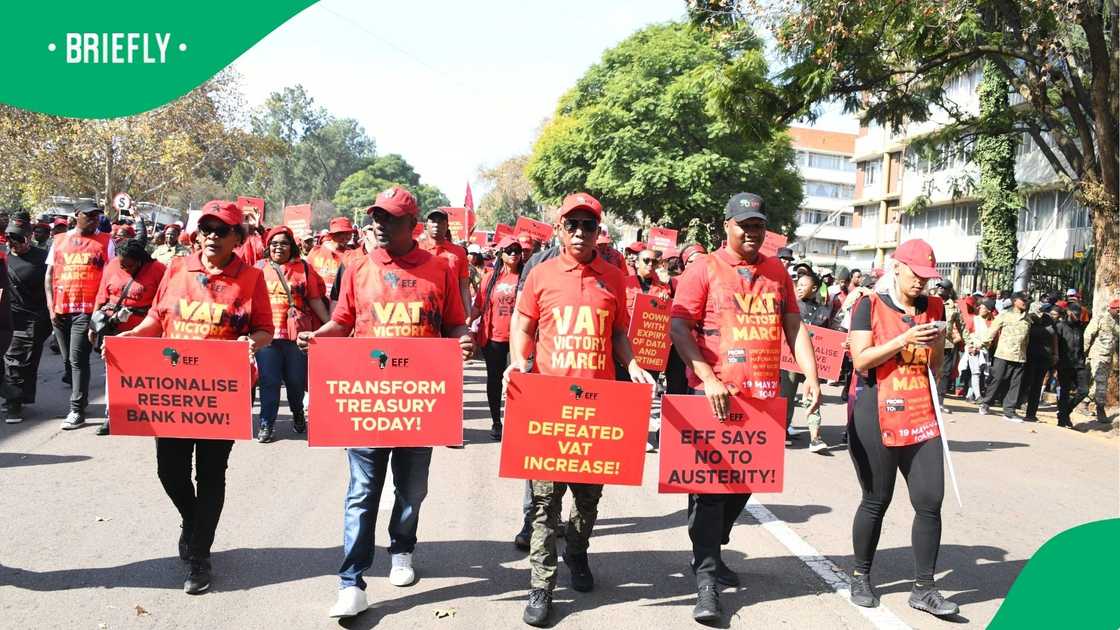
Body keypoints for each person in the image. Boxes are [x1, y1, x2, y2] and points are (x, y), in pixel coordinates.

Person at [296, 186, 471, 619]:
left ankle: (402, 549)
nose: (379, 223)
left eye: (390, 218)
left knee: (412, 490)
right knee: (362, 491)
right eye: (376, 215)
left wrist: (463, 340)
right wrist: (318, 338)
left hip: (419, 404)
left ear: (413, 227)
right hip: (368, 400)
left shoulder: (440, 270)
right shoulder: (356, 267)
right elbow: (342, 321)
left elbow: (453, 325)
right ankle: (351, 581)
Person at [505, 192, 654, 627]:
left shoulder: (614, 277)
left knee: (587, 503)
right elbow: (524, 322)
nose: (579, 232)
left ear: (597, 232)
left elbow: (620, 335)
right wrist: (519, 359)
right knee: (544, 503)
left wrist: (633, 364)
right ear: (560, 227)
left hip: (599, 410)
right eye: (572, 224)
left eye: (588, 225)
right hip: (549, 407)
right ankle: (541, 585)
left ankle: (578, 551)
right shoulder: (541, 273)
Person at [669, 192, 819, 623]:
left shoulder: (777, 272)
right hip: (713, 397)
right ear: (726, 226)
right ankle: (706, 580)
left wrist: (810, 375)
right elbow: (680, 327)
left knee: (746, 483)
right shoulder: (703, 269)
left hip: (763, 399)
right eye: (744, 225)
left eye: (758, 225)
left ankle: (710, 551)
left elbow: (794, 325)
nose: (752, 232)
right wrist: (709, 377)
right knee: (710, 492)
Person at [116, 200, 273, 595]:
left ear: (239, 238)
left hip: (222, 394)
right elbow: (157, 319)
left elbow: (265, 330)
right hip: (173, 393)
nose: (212, 237)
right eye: (206, 229)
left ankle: (200, 555)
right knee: (169, 471)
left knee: (210, 473)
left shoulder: (252, 278)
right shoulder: (177, 268)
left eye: (222, 231)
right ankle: (193, 519)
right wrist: (132, 338)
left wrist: (248, 343)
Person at [844, 239, 958, 618]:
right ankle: (861, 576)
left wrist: (937, 340)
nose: (921, 285)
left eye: (927, 278)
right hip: (875, 410)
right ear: (896, 268)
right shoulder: (869, 304)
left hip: (920, 412)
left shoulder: (936, 307)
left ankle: (924, 588)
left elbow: (935, 367)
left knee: (930, 500)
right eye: (915, 276)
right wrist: (904, 339)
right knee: (877, 499)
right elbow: (861, 361)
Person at [255, 226, 329, 443]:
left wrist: (332, 326)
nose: (279, 247)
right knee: (269, 380)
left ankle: (298, 413)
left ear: (292, 246)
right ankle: (266, 424)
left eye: (284, 243)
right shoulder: (258, 268)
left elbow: (315, 299)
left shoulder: (304, 268)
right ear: (268, 246)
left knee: (296, 381)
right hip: (266, 335)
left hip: (297, 335)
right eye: (274, 243)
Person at [46, 201, 114, 430]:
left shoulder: (106, 241)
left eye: (97, 216)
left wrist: (99, 312)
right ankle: (80, 400)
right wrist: (50, 306)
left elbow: (111, 277)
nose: (94, 219)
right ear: (76, 215)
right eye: (89, 215)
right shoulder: (59, 241)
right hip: (61, 309)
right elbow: (49, 276)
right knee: (67, 361)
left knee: (78, 359)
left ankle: (77, 410)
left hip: (87, 311)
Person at [89, 239, 167, 435]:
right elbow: (101, 295)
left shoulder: (159, 270)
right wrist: (93, 325)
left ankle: (148, 415)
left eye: (129, 265)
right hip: (114, 329)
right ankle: (112, 416)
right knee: (114, 374)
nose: (124, 268)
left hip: (146, 331)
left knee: (146, 375)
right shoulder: (113, 265)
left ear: (140, 261)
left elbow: (167, 301)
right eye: (122, 264)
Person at [472, 236, 523, 441]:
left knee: (518, 382)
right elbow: (479, 306)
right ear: (500, 253)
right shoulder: (490, 278)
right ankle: (496, 421)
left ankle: (517, 422)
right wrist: (466, 322)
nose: (513, 253)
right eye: (509, 249)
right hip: (494, 338)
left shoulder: (526, 277)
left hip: (519, 340)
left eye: (517, 249)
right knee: (494, 381)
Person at [2, 222, 52, 423]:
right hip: (9, 316)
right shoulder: (3, 258)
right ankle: (13, 400)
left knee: (27, 362)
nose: (14, 244)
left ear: (29, 237)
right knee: (12, 359)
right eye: (10, 239)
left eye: (19, 238)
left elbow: (52, 284)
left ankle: (18, 398)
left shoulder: (42, 257)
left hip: (35, 317)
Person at [779, 271, 833, 452]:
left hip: (813, 363)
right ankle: (782, 429)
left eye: (804, 285)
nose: (799, 287)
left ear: (815, 288)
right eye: (798, 284)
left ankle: (815, 437)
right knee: (786, 396)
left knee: (813, 396)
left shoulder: (824, 311)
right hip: (789, 362)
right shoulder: (790, 308)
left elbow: (832, 334)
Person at [979, 291, 1031, 421]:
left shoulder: (1028, 318)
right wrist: (982, 344)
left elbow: (1027, 339)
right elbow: (992, 331)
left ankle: (1009, 410)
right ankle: (985, 403)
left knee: (1015, 384)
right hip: (1003, 354)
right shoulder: (1004, 315)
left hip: (1019, 356)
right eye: (1022, 300)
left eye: (1027, 300)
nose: (1025, 302)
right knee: (996, 380)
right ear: (1015, 301)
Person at [420, 208, 472, 319]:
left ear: (447, 226)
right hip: (424, 310)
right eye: (433, 221)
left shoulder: (459, 252)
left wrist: (468, 313)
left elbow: (464, 286)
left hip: (452, 311)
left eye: (440, 221)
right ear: (426, 225)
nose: (436, 224)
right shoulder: (418, 249)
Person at [1019, 304, 1058, 422]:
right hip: (1029, 356)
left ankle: (1031, 414)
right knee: (1025, 382)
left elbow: (1054, 337)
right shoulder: (1027, 319)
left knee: (1037, 384)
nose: (1041, 314)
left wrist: (1056, 354)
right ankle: (1014, 405)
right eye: (1039, 311)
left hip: (1044, 357)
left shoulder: (1049, 320)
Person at [1083, 299, 1119, 423]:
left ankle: (1085, 403)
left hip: (1109, 357)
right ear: (1111, 308)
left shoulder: (1118, 322)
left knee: (1097, 382)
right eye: (1117, 309)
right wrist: (1083, 353)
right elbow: (1088, 335)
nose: (1119, 312)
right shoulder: (1101, 318)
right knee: (1101, 383)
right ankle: (1100, 410)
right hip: (1098, 356)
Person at [1055, 303, 1089, 428]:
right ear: (1069, 312)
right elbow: (1056, 346)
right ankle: (1063, 419)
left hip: (1079, 364)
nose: (1078, 316)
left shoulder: (1080, 327)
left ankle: (1064, 413)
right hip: (1064, 364)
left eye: (1079, 314)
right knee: (1065, 392)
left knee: (1084, 391)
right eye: (1075, 314)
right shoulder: (1060, 326)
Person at [934, 280, 964, 412]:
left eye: (943, 287)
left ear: (949, 291)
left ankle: (939, 401)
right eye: (939, 287)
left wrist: (969, 341)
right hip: (929, 342)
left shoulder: (954, 307)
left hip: (947, 344)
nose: (940, 289)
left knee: (944, 373)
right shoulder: (929, 301)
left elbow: (961, 326)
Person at [307, 217, 354, 298]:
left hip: (339, 303)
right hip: (317, 302)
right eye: (342, 233)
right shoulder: (315, 252)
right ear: (332, 235)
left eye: (349, 233)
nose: (347, 237)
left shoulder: (352, 255)